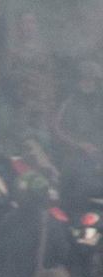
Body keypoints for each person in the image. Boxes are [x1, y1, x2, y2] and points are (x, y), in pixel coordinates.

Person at [52, 61, 103, 215]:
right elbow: (58, 128)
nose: (87, 84)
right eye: (84, 79)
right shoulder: (70, 103)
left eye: (91, 80)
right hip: (75, 155)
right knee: (71, 189)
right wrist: (81, 145)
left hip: (99, 155)